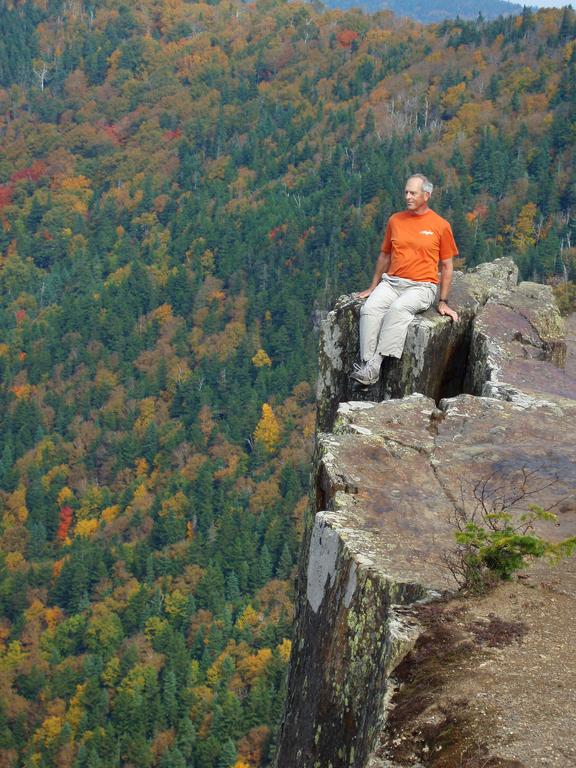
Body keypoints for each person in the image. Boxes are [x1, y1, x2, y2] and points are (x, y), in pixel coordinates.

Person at [351, 174, 459, 386]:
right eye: (406, 192)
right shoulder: (395, 220)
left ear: (426, 195)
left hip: (422, 287)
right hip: (392, 282)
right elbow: (385, 255)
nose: (407, 197)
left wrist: (443, 301)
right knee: (369, 309)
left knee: (398, 310)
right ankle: (367, 365)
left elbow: (447, 266)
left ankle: (375, 364)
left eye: (413, 193)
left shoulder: (440, 225)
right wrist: (373, 286)